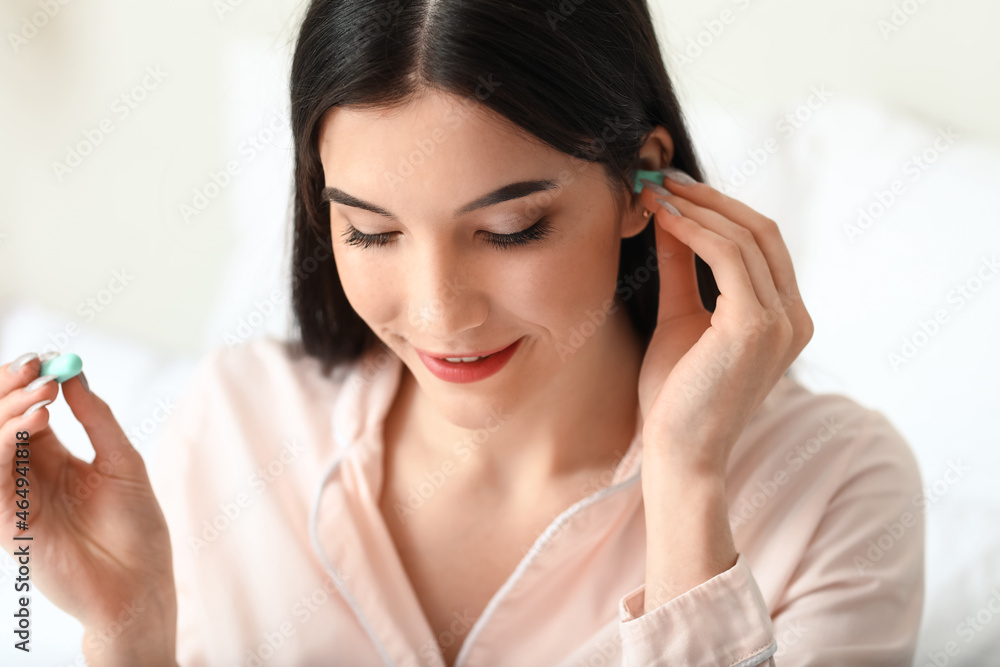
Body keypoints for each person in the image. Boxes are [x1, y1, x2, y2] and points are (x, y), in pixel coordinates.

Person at [0, 0, 925, 665]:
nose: (440, 313)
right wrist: (130, 630)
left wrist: (686, 483)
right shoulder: (241, 421)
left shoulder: (838, 487)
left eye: (511, 230)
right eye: (370, 231)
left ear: (643, 185)